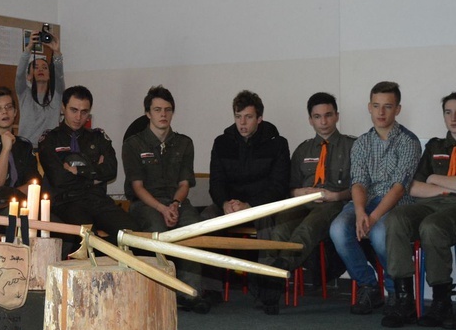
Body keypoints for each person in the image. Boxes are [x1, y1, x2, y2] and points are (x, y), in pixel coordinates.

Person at [329, 81, 421, 315]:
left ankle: (395, 292)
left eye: (388, 107)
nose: (381, 112)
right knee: (338, 229)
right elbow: (358, 182)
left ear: (397, 109)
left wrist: (374, 217)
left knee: (381, 233)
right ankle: (368, 286)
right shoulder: (361, 143)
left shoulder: (409, 141)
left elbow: (400, 187)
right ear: (369, 107)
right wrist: (360, 212)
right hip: (365, 201)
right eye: (377, 106)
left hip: (396, 202)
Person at [261, 92, 356, 314]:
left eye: (328, 115)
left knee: (308, 229)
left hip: (333, 204)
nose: (323, 122)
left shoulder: (352, 146)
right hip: (303, 203)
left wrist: (336, 196)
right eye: (317, 116)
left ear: (337, 116)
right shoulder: (303, 149)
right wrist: (299, 191)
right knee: (280, 229)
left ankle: (278, 275)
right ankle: (272, 280)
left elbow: (360, 187)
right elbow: (289, 186)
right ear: (310, 120)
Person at [122, 85, 209, 313]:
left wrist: (175, 205)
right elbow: (137, 187)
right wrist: (162, 208)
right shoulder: (133, 144)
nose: (163, 114)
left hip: (176, 202)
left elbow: (184, 184)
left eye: (168, 110)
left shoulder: (184, 143)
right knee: (156, 230)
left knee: (192, 229)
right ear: (148, 114)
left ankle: (190, 293)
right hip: (146, 204)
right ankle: (157, 295)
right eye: (157, 109)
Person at [382, 91, 456, 328]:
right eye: (448, 112)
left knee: (432, 227)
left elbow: (428, 180)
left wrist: (435, 177)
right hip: (431, 203)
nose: (453, 117)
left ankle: (441, 301)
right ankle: (405, 301)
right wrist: (444, 188)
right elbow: (413, 186)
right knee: (395, 219)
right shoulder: (435, 146)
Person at [39, 85, 139, 243]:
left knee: (133, 234)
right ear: (63, 108)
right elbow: (59, 179)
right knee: (90, 240)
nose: (78, 117)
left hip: (97, 199)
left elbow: (111, 170)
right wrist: (94, 176)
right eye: (74, 110)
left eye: (84, 112)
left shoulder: (98, 138)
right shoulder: (50, 139)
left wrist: (77, 171)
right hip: (67, 202)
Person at [207, 90, 290, 238]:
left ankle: (268, 262)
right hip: (230, 205)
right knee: (205, 221)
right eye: (238, 117)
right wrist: (225, 203)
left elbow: (278, 187)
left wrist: (249, 205)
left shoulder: (277, 144)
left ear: (259, 118)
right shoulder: (221, 143)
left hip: (261, 205)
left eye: (248, 117)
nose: (242, 123)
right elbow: (216, 182)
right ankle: (212, 262)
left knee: (268, 221)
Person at [15, 28, 65, 148]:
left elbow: (59, 76)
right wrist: (28, 48)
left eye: (44, 67)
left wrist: (57, 53)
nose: (41, 69)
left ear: (49, 75)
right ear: (29, 76)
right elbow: (19, 74)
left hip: (49, 148)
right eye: (36, 67)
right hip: (25, 148)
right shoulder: (24, 93)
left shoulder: (56, 95)